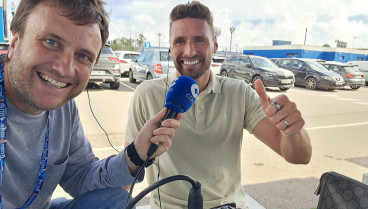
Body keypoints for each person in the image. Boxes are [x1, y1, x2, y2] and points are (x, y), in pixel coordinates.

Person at [124, 1, 312, 209]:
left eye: (199, 40)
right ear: (170, 47)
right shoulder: (147, 93)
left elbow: (300, 157)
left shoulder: (239, 92)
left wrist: (291, 129)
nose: (189, 51)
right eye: (179, 41)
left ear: (214, 45)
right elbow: (126, 171)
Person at [1, 0, 182, 208]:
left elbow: (80, 176)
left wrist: (136, 154)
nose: (65, 69)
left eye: (83, 56)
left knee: (115, 200)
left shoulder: (63, 108)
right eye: (51, 42)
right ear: (15, 43)